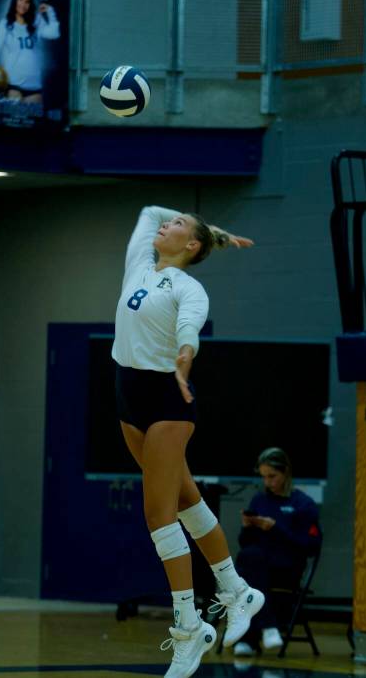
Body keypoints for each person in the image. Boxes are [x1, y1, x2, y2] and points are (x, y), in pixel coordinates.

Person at [112, 205, 261, 678]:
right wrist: (217, 231)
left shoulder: (189, 287)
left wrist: (184, 359)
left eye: (177, 226)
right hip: (127, 392)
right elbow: (150, 209)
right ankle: (237, 590)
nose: (165, 225)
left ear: (190, 246)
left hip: (167, 398)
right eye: (170, 222)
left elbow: (188, 329)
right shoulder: (141, 259)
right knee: (185, 498)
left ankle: (189, 625)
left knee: (159, 514)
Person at [232, 448, 321, 657]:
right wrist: (247, 526)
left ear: (286, 472)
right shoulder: (259, 500)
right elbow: (245, 543)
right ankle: (268, 627)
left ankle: (249, 638)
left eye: (272, 476)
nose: (268, 482)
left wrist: (275, 528)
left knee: (247, 568)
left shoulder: (303, 504)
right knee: (249, 558)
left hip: (287, 566)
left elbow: (309, 546)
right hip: (259, 564)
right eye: (264, 477)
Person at [0, 0, 60, 103]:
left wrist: (50, 12)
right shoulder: (5, 24)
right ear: (15, 1)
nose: (23, 4)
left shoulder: (36, 20)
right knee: (14, 116)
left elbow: (54, 34)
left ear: (30, 4)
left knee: (32, 117)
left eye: (27, 1)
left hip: (34, 84)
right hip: (14, 83)